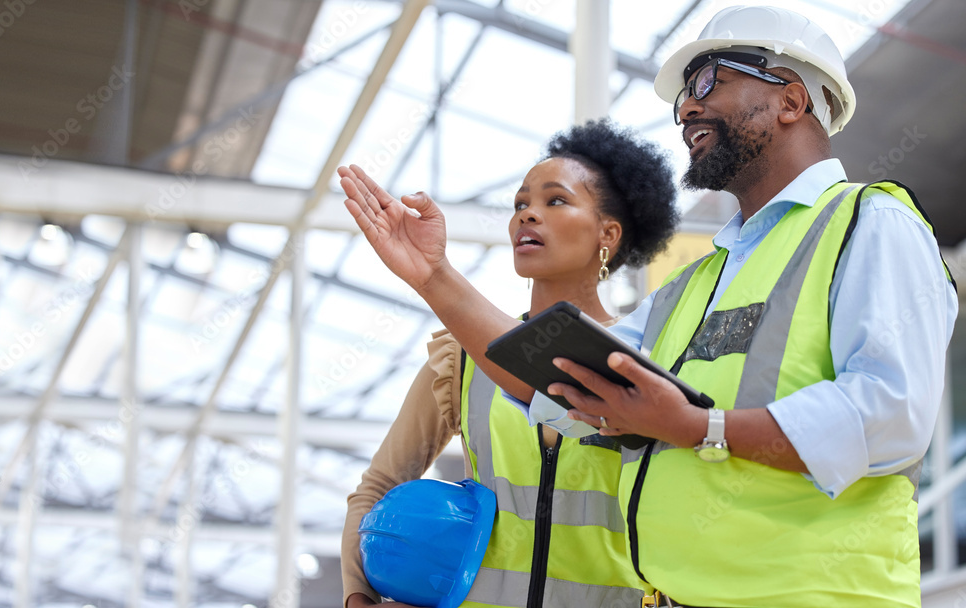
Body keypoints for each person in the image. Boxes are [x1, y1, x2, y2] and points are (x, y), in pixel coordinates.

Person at [342, 5, 958, 608]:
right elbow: (563, 381)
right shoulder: (696, 285)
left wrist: (699, 428)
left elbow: (890, 418)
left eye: (712, 79)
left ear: (791, 101)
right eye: (684, 92)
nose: (688, 105)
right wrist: (433, 276)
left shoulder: (870, 222)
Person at [339, 119, 679, 608]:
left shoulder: (650, 360)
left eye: (554, 201)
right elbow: (380, 484)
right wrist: (358, 596)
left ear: (608, 233)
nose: (528, 216)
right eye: (521, 204)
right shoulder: (462, 357)